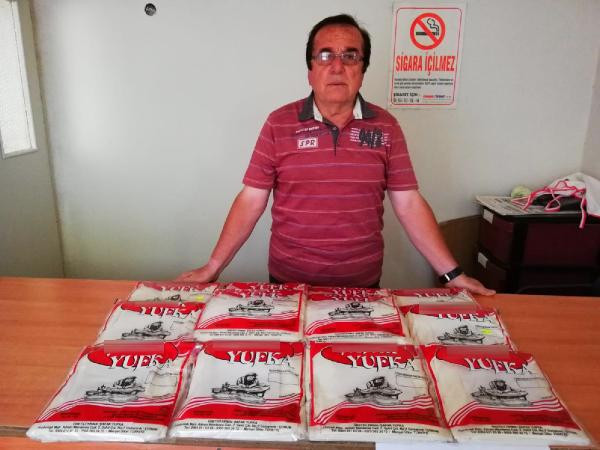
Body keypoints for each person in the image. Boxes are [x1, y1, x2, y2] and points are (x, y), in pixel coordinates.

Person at [177, 14, 494, 295]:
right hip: (288, 285)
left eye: (350, 56)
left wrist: (452, 275)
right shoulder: (278, 123)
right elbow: (251, 200)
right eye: (325, 55)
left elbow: (408, 203)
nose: (337, 66)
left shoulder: (386, 127)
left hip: (362, 287)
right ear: (310, 69)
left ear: (363, 70)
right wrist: (213, 267)